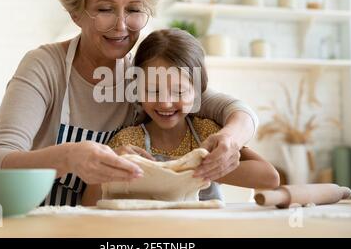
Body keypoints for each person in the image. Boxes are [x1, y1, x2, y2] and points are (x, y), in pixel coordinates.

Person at [0, 0, 259, 206]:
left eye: (134, 10)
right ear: (76, 13)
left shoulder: (144, 77)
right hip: (40, 221)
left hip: (104, 228)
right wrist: (69, 157)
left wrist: (230, 139)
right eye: (105, 9)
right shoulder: (44, 66)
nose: (122, 25)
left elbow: (236, 110)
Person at [81, 29, 279, 205]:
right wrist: (110, 164)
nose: (166, 103)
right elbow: (89, 205)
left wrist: (205, 169)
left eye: (179, 92)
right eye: (152, 91)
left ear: (198, 91)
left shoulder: (207, 134)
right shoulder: (129, 141)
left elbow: (270, 178)